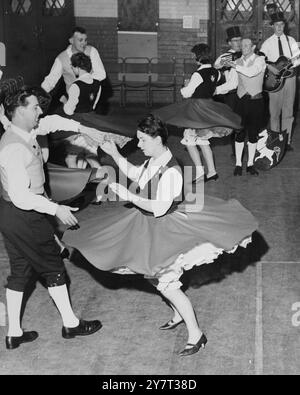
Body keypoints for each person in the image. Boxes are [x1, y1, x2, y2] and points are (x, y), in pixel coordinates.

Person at [63, 114, 258, 357]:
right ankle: (177, 314)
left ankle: (197, 335)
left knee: (167, 285)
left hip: (166, 228)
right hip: (149, 225)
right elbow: (138, 175)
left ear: (157, 139)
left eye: (143, 140)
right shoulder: (155, 158)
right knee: (150, 273)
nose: (140, 144)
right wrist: (115, 155)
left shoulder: (172, 171)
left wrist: (125, 193)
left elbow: (158, 208)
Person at [0, 87, 103, 350]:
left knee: (20, 271)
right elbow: (21, 196)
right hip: (24, 214)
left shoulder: (22, 132)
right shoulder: (14, 149)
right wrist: (55, 209)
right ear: (19, 110)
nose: (40, 111)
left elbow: (52, 122)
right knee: (54, 268)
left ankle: (13, 333)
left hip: (11, 216)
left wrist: (84, 128)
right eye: (34, 107)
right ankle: (71, 323)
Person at [153, 44, 241, 183]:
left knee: (190, 141)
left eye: (194, 55)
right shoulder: (216, 73)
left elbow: (187, 93)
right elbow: (216, 87)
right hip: (209, 107)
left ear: (197, 57)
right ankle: (212, 172)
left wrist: (184, 86)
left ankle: (200, 172)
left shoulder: (197, 74)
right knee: (202, 141)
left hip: (196, 109)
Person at [224, 38, 266, 176]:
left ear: (253, 47)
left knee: (253, 134)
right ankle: (238, 164)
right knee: (239, 133)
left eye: (247, 45)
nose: (244, 47)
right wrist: (215, 89)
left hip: (256, 102)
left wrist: (234, 65)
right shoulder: (237, 62)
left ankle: (250, 164)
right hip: (241, 101)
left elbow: (251, 72)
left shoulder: (260, 60)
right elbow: (232, 84)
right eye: (242, 45)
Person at [260, 11, 300, 151]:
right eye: (276, 25)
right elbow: (260, 60)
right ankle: (276, 139)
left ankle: (286, 141)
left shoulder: (291, 41)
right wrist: (271, 67)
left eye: (281, 24)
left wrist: (289, 66)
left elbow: (297, 59)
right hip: (274, 81)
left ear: (284, 26)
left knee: (288, 111)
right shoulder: (267, 43)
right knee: (275, 112)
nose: (279, 27)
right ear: (272, 26)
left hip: (290, 78)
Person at [41, 26, 106, 97]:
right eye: (80, 40)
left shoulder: (92, 51)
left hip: (91, 97)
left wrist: (82, 82)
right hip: (73, 99)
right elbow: (50, 80)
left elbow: (101, 74)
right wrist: (38, 94)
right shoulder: (61, 58)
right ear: (71, 41)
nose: (84, 43)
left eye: (85, 40)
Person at [214, 27, 242, 157]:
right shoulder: (225, 56)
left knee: (244, 123)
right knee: (234, 123)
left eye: (239, 40)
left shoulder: (247, 53)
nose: (238, 43)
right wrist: (231, 59)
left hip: (247, 94)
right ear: (229, 42)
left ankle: (241, 148)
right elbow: (217, 65)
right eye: (235, 40)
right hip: (232, 94)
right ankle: (235, 151)